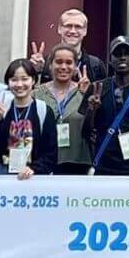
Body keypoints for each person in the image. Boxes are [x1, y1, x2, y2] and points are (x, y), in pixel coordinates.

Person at [80, 36, 129, 181]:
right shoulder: (97, 88)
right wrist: (92, 110)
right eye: (117, 54)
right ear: (110, 59)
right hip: (103, 165)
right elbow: (86, 132)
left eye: (127, 54)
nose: (122, 58)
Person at [0, 59, 58, 178]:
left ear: (33, 80)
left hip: (33, 176)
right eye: (14, 79)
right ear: (8, 82)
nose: (19, 84)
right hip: (2, 174)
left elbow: (51, 152)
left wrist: (34, 169)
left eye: (24, 79)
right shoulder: (2, 109)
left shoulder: (43, 110)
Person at [34, 43, 94, 175]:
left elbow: (93, 126)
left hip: (77, 163)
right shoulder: (37, 93)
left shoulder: (84, 92)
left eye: (69, 62)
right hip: (42, 162)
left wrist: (87, 96)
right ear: (50, 65)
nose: (63, 67)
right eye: (59, 62)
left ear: (75, 67)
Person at [29, 8, 108, 84]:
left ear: (85, 31)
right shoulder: (45, 63)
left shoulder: (96, 66)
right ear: (59, 29)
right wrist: (36, 71)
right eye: (68, 26)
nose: (73, 31)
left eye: (78, 27)